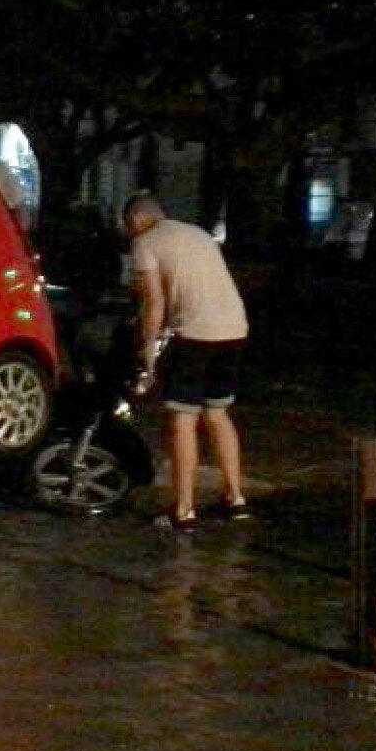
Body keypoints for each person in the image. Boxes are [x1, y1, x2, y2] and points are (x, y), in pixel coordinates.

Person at [122, 193, 251, 532]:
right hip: (235, 328)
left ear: (135, 220)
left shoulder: (145, 242)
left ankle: (183, 510)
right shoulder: (198, 233)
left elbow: (154, 302)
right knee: (217, 413)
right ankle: (236, 498)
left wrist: (148, 348)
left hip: (194, 334)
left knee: (183, 418)